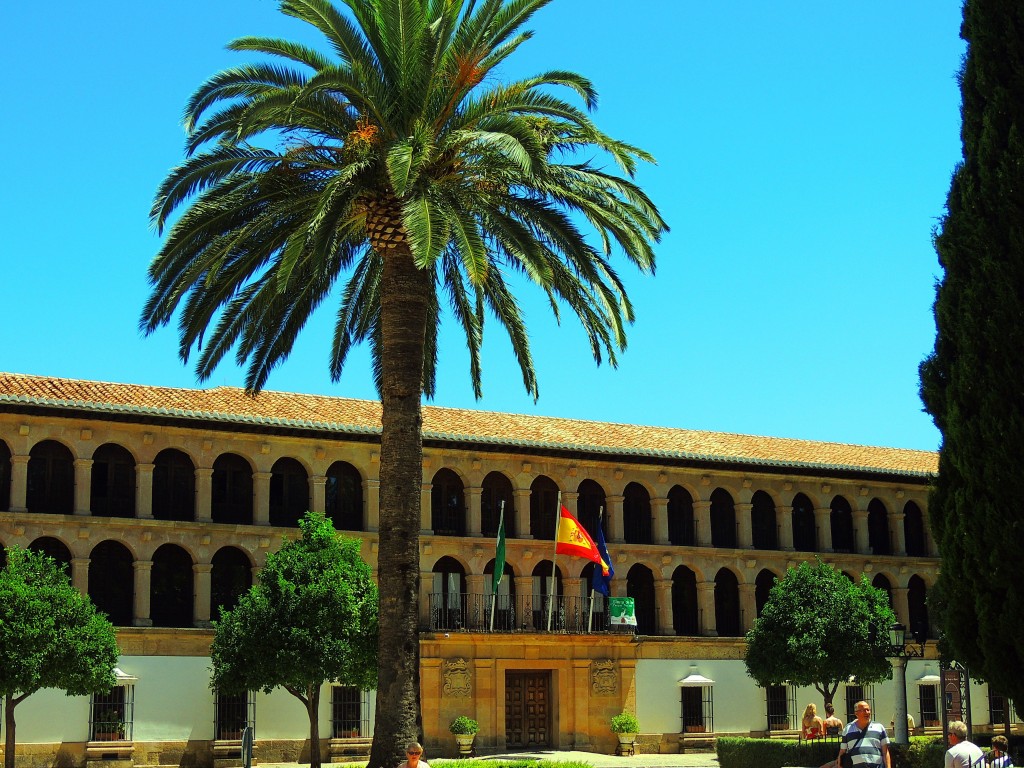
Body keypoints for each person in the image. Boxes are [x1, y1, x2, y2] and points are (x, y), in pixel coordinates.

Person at [837, 701, 891, 768]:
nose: (867, 712)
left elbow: (885, 752)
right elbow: (842, 752)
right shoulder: (847, 729)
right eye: (864, 710)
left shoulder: (879, 728)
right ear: (856, 713)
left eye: (868, 710)